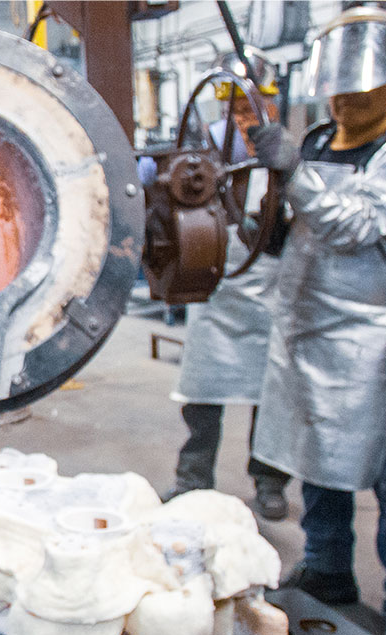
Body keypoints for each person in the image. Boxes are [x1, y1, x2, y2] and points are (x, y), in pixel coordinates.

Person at [249, 6, 386, 635]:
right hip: (309, 325)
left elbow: (354, 226)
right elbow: (288, 233)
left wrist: (293, 172)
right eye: (335, 90)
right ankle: (328, 571)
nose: (342, 102)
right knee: (320, 461)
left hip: (378, 333)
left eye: (357, 91)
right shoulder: (314, 144)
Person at [165, 50, 292, 521]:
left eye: (253, 107)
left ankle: (269, 480)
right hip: (217, 291)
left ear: (272, 105)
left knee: (271, 395)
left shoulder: (285, 152)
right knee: (201, 395)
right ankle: (192, 479)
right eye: (236, 109)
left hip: (269, 293)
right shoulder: (208, 151)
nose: (245, 118)